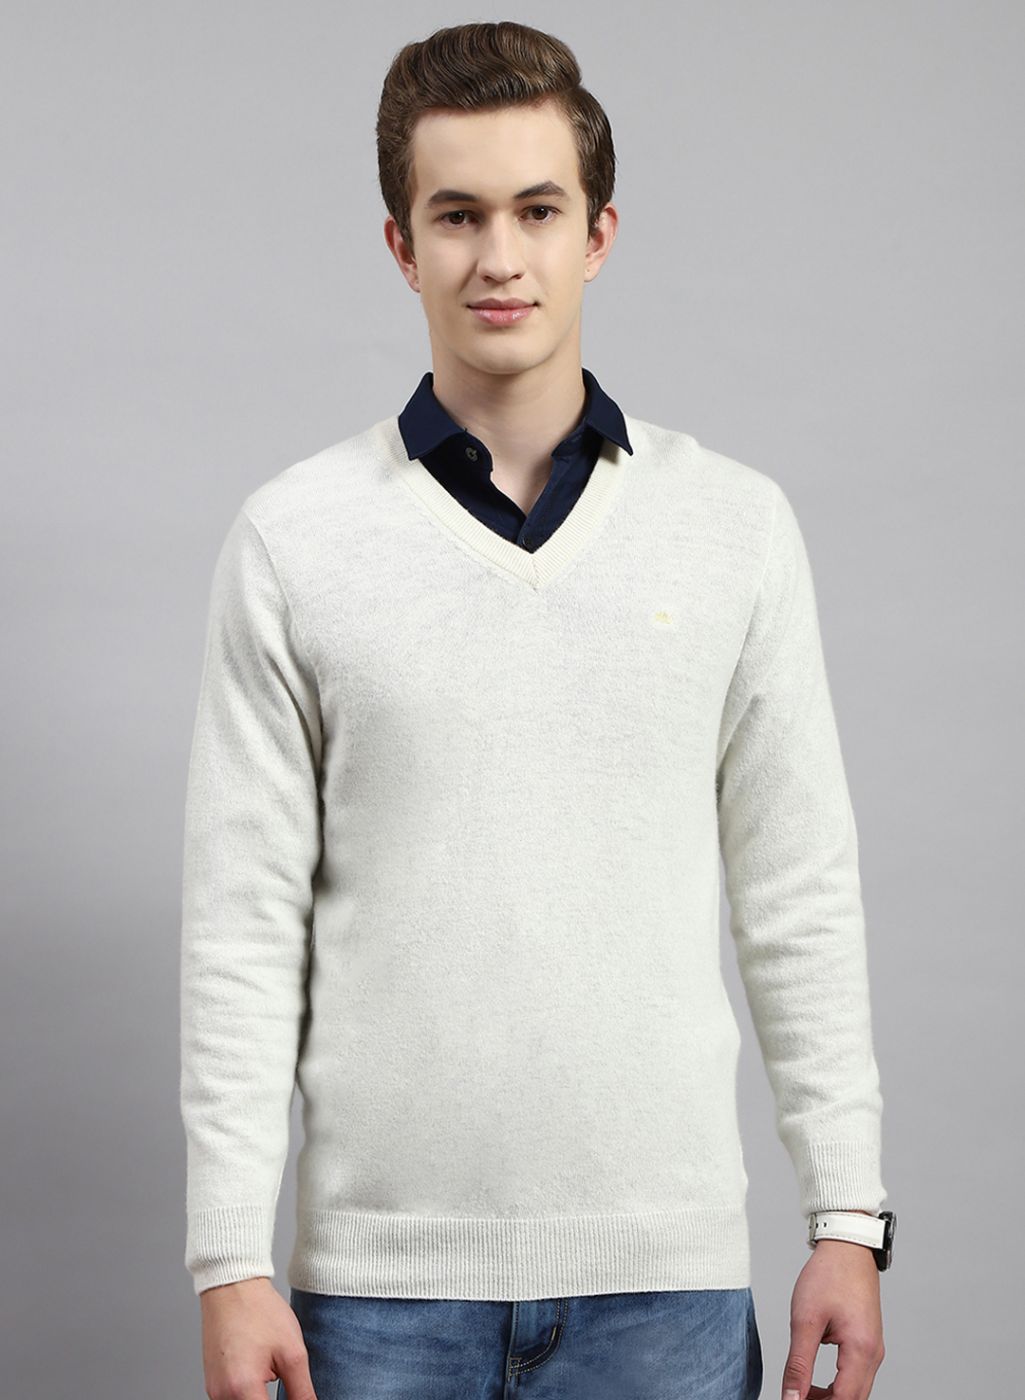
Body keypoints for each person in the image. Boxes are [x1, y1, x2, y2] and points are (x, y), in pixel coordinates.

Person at [180, 20, 891, 1400]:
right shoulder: (294, 540)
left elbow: (799, 892)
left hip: (666, 1289)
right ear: (402, 246)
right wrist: (227, 1260)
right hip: (375, 1297)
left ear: (598, 235)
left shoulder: (733, 527)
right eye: (456, 216)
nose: (497, 257)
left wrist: (847, 1220)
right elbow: (241, 929)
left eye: (537, 211)